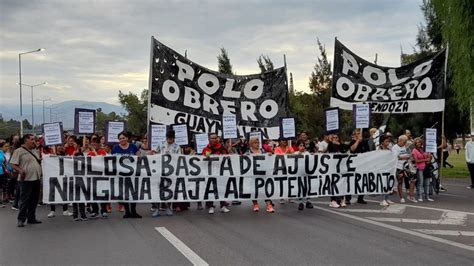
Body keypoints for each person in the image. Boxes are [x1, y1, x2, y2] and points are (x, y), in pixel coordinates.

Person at [10, 134, 43, 227]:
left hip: (36, 178)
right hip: (26, 179)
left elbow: (37, 160)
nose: (34, 141)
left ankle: (31, 217)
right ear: (26, 140)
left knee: (34, 199)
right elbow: (12, 164)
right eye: (32, 139)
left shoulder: (34, 150)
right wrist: (20, 170)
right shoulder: (18, 151)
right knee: (25, 200)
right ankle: (21, 219)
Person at [112, 131, 141, 218]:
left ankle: (133, 211)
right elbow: (112, 160)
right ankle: (127, 211)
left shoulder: (133, 147)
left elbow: (139, 157)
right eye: (120, 138)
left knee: (133, 192)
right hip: (121, 175)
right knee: (124, 193)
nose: (122, 140)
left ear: (127, 138)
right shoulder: (115, 148)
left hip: (132, 174)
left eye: (123, 138)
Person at [153, 130, 180, 217]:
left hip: (170, 171)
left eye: (171, 138)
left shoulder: (177, 147)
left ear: (174, 138)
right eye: (168, 138)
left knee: (169, 189)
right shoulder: (160, 144)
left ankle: (168, 207)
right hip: (159, 170)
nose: (169, 140)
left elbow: (179, 158)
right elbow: (154, 152)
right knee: (158, 189)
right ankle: (157, 209)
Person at [202, 133, 230, 214]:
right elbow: (204, 159)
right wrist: (207, 158)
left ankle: (223, 206)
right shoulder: (207, 149)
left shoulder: (222, 148)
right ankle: (211, 206)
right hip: (210, 172)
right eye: (212, 138)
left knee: (221, 189)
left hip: (220, 172)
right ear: (209, 139)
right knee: (211, 189)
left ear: (217, 139)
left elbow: (227, 158)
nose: (213, 140)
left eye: (215, 138)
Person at [247, 136, 274, 213]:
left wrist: (269, 154)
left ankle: (269, 205)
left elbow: (270, 155)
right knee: (254, 189)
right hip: (253, 174)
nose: (257, 144)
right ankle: (255, 204)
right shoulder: (248, 152)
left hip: (263, 173)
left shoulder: (262, 151)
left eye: (258, 142)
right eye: (255, 142)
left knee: (265, 189)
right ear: (251, 144)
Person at [327, 134, 349, 208]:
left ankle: (342, 199)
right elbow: (330, 149)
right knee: (333, 183)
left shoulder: (342, 145)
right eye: (333, 138)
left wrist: (339, 145)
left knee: (341, 183)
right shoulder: (330, 145)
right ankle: (333, 200)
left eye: (336, 137)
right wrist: (331, 142)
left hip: (341, 168)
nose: (335, 139)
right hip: (333, 168)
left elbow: (345, 150)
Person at [349, 129, 370, 204]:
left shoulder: (365, 142)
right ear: (354, 135)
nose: (358, 135)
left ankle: (360, 198)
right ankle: (348, 198)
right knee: (352, 181)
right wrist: (357, 141)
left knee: (363, 181)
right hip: (354, 165)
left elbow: (368, 152)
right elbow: (352, 149)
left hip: (363, 165)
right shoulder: (353, 142)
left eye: (359, 133)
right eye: (357, 134)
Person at [412, 137, 434, 202]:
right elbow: (416, 160)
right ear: (415, 143)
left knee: (427, 183)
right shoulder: (414, 151)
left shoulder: (424, 149)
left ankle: (427, 196)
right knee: (420, 182)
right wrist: (425, 160)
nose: (419, 143)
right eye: (417, 142)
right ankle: (420, 196)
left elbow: (429, 158)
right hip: (419, 168)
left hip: (426, 167)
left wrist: (429, 157)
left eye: (419, 142)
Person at [295, 140, 314, 211]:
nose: (302, 147)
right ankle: (300, 202)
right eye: (300, 146)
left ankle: (308, 201)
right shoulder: (296, 153)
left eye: (303, 146)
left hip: (306, 173)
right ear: (298, 147)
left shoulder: (307, 153)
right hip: (299, 174)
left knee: (307, 187)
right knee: (300, 187)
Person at [391, 135, 411, 203]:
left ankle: (402, 196)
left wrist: (406, 157)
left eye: (405, 142)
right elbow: (397, 157)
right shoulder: (395, 147)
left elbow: (407, 155)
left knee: (402, 182)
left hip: (404, 167)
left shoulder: (404, 147)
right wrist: (406, 157)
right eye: (404, 142)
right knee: (399, 181)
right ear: (400, 140)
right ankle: (401, 197)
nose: (405, 143)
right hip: (397, 167)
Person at [378, 135, 395, 206]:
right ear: (382, 142)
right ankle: (383, 199)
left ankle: (387, 198)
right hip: (382, 169)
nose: (388, 143)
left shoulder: (389, 149)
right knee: (384, 184)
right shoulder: (379, 149)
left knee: (388, 184)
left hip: (389, 169)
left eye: (388, 141)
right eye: (386, 141)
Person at [0, 141, 13, 207]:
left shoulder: (5, 153)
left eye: (8, 146)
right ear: (1, 147)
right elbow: (3, 163)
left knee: (3, 186)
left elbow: (7, 163)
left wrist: (9, 170)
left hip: (3, 172)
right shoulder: (1, 153)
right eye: (5, 146)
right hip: (1, 171)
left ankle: (3, 200)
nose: (7, 148)